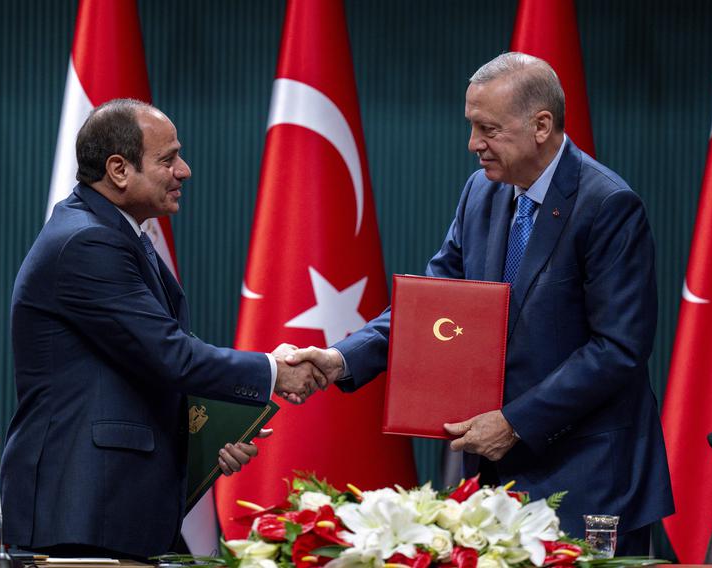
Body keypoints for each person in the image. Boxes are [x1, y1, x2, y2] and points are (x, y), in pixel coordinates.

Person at [286, 53, 673, 554]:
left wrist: (515, 422)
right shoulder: (481, 193)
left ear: (541, 125)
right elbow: (432, 309)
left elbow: (618, 348)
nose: (473, 145)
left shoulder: (607, 205)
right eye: (472, 127)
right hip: (494, 481)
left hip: (588, 478)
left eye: (487, 129)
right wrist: (341, 359)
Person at [0, 99, 325, 559]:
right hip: (81, 512)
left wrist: (213, 433)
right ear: (118, 169)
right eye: (168, 159)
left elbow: (141, 366)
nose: (184, 170)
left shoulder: (118, 234)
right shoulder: (87, 241)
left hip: (114, 509)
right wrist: (274, 370)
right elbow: (171, 356)